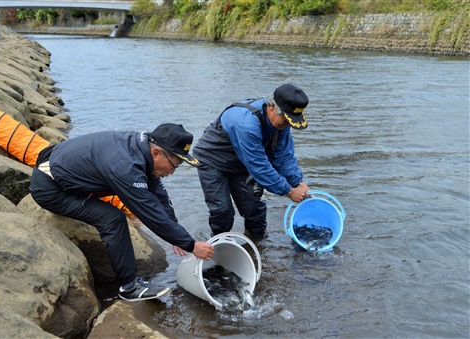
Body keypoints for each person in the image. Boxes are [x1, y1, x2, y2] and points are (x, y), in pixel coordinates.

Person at [29, 123, 215, 302]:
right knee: (113, 218)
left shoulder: (142, 149)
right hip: (51, 189)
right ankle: (129, 287)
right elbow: (148, 212)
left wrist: (175, 230)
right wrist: (190, 245)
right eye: (174, 165)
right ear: (156, 153)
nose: (173, 172)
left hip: (62, 167)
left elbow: (157, 192)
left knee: (129, 206)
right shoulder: (126, 167)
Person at [193, 83, 312, 239]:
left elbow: (283, 155)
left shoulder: (282, 121)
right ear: (272, 107)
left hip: (241, 163)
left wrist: (297, 182)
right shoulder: (245, 123)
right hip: (212, 161)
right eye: (286, 120)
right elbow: (259, 166)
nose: (287, 125)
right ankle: (220, 246)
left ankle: (257, 247)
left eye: (291, 121)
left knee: (254, 209)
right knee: (222, 211)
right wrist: (289, 191)